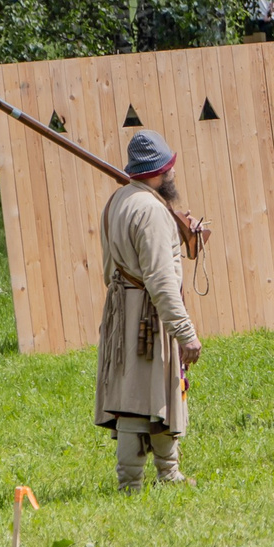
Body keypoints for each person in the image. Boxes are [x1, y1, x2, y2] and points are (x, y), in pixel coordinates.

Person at [94, 129, 201, 489]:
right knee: (137, 401)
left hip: (123, 311)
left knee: (153, 394)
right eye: (170, 169)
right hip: (147, 316)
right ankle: (130, 483)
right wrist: (185, 333)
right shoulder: (152, 211)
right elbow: (161, 280)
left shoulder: (117, 201)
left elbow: (110, 268)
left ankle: (168, 473)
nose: (173, 175)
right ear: (163, 170)